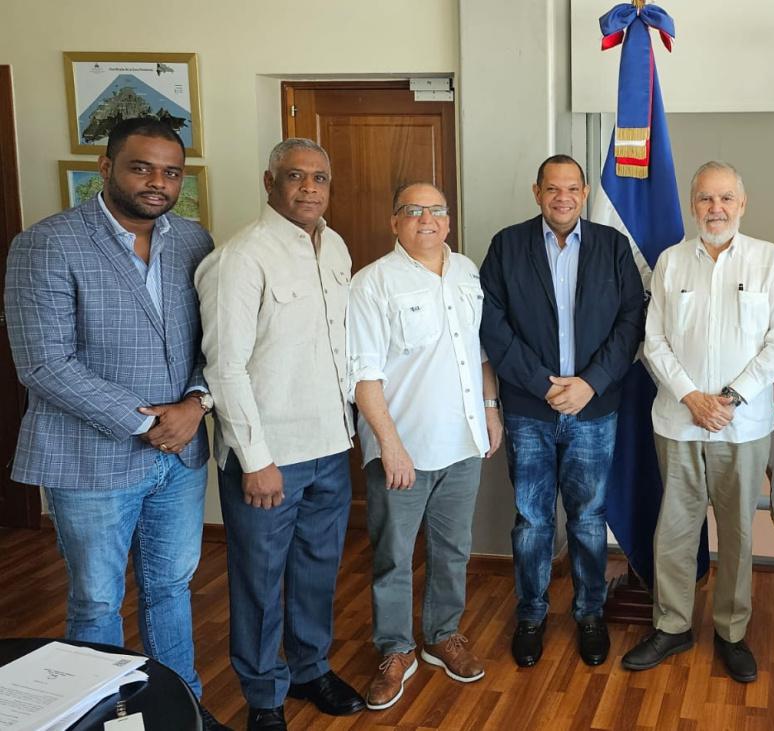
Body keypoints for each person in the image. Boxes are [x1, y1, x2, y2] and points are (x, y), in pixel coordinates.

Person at [4, 117, 228, 731]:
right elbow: (43, 363)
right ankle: (102, 719)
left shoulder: (193, 240)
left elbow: (213, 341)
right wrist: (144, 422)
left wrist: (196, 403)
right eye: (141, 167)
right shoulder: (47, 244)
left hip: (180, 454)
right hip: (90, 457)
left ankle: (183, 709)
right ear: (105, 168)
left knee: (171, 587)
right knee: (98, 599)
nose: (158, 182)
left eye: (171, 172)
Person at [196, 138, 363, 730]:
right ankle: (264, 696)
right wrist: (255, 459)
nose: (310, 187)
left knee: (317, 571)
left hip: (330, 444)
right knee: (260, 582)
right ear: (270, 182)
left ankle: (311, 668)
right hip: (270, 456)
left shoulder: (335, 246)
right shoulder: (241, 258)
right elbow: (225, 368)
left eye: (320, 177)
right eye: (295, 176)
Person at [623, 161, 774, 683]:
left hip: (744, 427)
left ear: (742, 204)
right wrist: (692, 398)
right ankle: (672, 625)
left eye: (725, 198)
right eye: (705, 199)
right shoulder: (671, 262)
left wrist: (730, 398)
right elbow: (654, 340)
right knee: (674, 529)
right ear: (692, 204)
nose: (715, 208)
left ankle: (732, 632)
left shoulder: (769, 260)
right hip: (678, 422)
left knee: (738, 532)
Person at [478, 154, 644, 668]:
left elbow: (631, 321)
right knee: (532, 520)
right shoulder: (507, 246)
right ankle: (531, 615)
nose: (563, 197)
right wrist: (543, 385)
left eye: (572, 188)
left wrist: (590, 384)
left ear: (585, 193)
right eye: (553, 188)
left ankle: (589, 613)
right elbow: (492, 324)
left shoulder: (613, 247)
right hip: (530, 410)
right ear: (537, 193)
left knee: (589, 519)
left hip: (594, 409)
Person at [347, 182, 503, 709]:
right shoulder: (372, 283)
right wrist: (389, 445)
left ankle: (442, 634)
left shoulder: (467, 272)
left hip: (462, 441)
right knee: (393, 555)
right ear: (395, 222)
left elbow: (478, 350)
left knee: (453, 549)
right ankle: (395, 650)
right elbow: (364, 375)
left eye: (436, 210)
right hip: (403, 448)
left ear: (448, 220)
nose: (426, 219)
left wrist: (490, 409)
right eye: (413, 211)